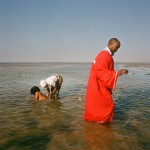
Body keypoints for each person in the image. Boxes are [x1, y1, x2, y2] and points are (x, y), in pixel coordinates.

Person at [83, 38, 128, 124]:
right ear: (110, 44)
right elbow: (100, 71)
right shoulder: (104, 55)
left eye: (118, 48)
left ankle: (96, 121)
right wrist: (118, 73)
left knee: (98, 105)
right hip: (99, 85)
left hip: (100, 84)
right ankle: (101, 123)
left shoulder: (106, 55)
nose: (117, 50)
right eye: (116, 47)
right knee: (108, 105)